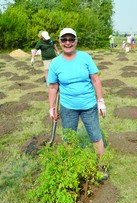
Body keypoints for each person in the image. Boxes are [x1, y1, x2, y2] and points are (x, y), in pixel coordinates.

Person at [48, 28, 107, 178]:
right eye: (64, 40)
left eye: (71, 39)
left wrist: (100, 101)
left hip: (89, 106)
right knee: (68, 138)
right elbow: (53, 87)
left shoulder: (85, 57)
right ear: (60, 42)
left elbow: (95, 80)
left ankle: (101, 167)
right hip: (68, 108)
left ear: (76, 41)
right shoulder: (55, 63)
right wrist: (52, 108)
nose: (68, 43)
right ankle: (70, 166)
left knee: (95, 135)